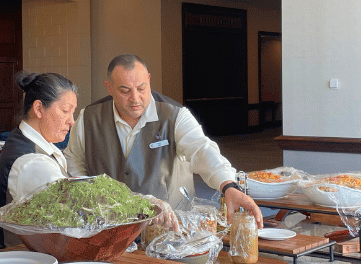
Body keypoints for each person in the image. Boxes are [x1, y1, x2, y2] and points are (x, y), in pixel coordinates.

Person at [65, 54, 263, 227]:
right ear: (109, 88)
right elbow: (74, 161)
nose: (135, 98)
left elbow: (201, 149)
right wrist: (88, 194)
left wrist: (228, 185)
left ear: (149, 80)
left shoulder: (175, 115)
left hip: (171, 226)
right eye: (125, 91)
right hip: (110, 226)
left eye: (141, 88)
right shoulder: (88, 118)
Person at [0, 72, 79, 249]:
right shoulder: (31, 162)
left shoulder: (28, 140)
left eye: (73, 112)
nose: (72, 121)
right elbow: (72, 216)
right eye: (65, 111)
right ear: (39, 109)